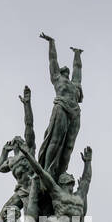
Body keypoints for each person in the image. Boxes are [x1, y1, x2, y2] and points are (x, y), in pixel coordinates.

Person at [36, 32, 83, 177]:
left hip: (75, 111)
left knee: (69, 145)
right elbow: (53, 60)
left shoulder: (75, 84)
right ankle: (48, 169)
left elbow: (77, 69)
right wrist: (52, 43)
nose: (66, 69)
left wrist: (77, 54)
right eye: (64, 69)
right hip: (61, 106)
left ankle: (61, 171)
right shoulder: (57, 78)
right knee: (56, 140)